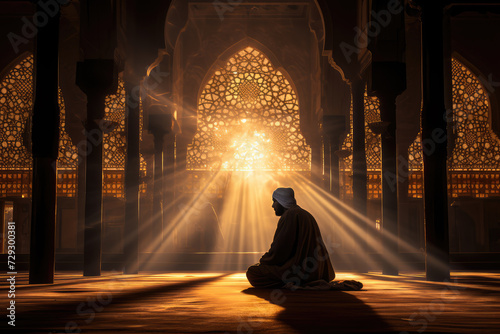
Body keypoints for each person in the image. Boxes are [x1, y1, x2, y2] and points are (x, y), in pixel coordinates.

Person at [246, 187, 336, 288]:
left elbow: (280, 251)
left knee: (253, 272)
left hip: (299, 270)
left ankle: (292, 282)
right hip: (316, 271)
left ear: (281, 201)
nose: (272, 206)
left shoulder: (289, 215)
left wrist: (264, 260)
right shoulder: (305, 214)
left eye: (274, 201)